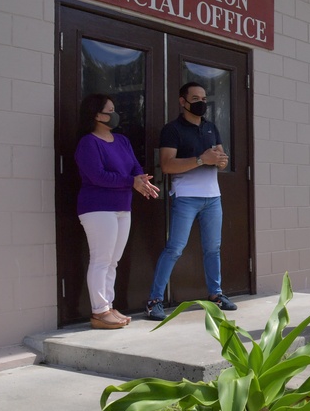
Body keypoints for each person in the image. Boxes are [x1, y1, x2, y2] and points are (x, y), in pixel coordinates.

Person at [145, 82, 237, 320]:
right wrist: (200, 160)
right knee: (174, 248)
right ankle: (154, 301)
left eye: (204, 98)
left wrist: (221, 160)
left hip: (213, 198)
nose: (201, 102)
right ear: (182, 101)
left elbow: (220, 156)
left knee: (213, 249)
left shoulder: (210, 127)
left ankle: (215, 294)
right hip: (186, 198)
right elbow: (166, 165)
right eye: (195, 98)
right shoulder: (172, 129)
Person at [74, 94, 159, 329]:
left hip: (123, 207)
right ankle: (99, 312)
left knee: (113, 261)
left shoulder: (121, 140)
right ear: (96, 115)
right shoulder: (88, 143)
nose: (114, 114)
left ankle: (108, 306)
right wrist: (131, 182)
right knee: (101, 259)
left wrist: (141, 180)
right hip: (98, 208)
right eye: (109, 110)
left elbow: (134, 166)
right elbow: (98, 176)